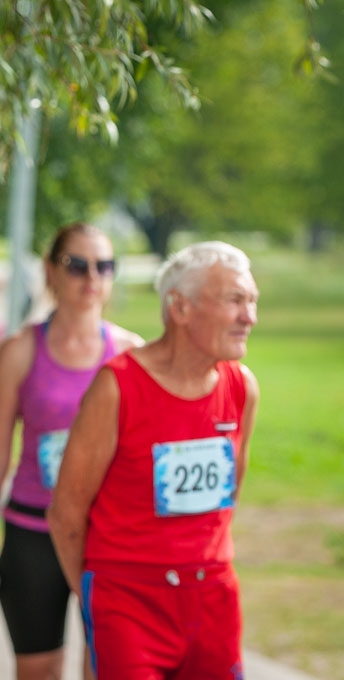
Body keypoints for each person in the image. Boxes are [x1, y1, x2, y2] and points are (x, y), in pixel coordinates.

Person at [48, 241, 260, 680]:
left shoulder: (242, 386)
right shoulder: (117, 387)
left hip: (213, 597)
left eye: (252, 301)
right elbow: (66, 513)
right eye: (235, 300)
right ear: (179, 307)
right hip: (128, 601)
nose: (250, 317)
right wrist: (96, 598)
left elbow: (228, 497)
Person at [0, 223, 143, 680]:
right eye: (77, 265)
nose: (92, 278)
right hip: (33, 534)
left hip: (105, 537)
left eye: (104, 266)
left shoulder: (130, 353)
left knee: (103, 667)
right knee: (39, 670)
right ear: (51, 272)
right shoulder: (20, 351)